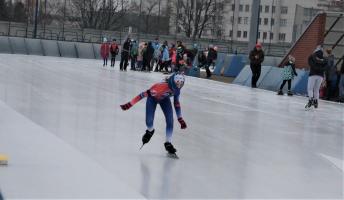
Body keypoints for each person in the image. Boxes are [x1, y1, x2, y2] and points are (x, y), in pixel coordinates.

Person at [120, 73, 187, 156]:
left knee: (170, 121)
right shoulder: (160, 88)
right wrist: (130, 104)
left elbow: (176, 103)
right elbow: (142, 95)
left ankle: (168, 142)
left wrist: (180, 118)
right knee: (149, 121)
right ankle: (150, 131)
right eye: (177, 83)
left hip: (164, 99)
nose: (179, 86)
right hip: (152, 99)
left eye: (181, 84)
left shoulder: (177, 89)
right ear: (173, 82)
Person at [305, 45, 328, 109]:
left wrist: (316, 68)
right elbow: (326, 67)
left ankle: (310, 101)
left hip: (313, 74)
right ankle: (316, 102)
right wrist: (321, 69)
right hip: (320, 76)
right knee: (316, 89)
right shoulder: (325, 58)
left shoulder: (312, 56)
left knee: (310, 88)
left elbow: (310, 64)